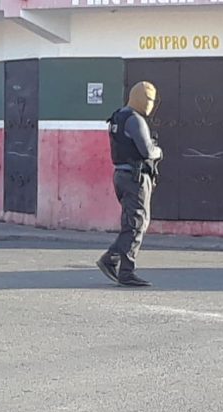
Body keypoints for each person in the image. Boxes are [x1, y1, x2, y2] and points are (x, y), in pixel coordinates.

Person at [96, 81, 162, 287]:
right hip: (135, 178)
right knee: (136, 224)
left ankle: (113, 259)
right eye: (149, 99)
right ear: (139, 98)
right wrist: (158, 151)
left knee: (133, 222)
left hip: (121, 175)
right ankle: (124, 270)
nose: (151, 104)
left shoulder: (119, 116)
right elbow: (146, 151)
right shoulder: (135, 120)